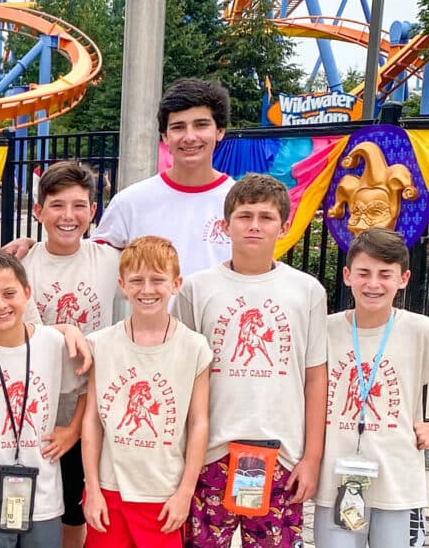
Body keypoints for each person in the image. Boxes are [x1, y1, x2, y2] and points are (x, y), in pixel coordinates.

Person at [174, 173, 327, 547]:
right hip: (212, 453)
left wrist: (311, 458)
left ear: (285, 225)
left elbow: (316, 377)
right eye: (244, 216)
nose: (254, 226)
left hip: (281, 455)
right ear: (226, 225)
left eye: (265, 217)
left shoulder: (307, 291)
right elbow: (182, 374)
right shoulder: (197, 287)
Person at [4, 78, 234, 279]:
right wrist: (36, 251)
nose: (190, 137)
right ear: (165, 136)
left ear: (220, 131)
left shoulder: (240, 205)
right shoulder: (131, 202)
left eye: (201, 125)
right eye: (178, 127)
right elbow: (83, 260)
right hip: (149, 329)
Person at [81, 236, 210, 548]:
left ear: (176, 283)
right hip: (111, 491)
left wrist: (184, 493)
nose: (147, 289)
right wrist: (93, 489)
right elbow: (92, 421)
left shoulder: (194, 347)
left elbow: (199, 423)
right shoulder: (101, 343)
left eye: (157, 280)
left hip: (163, 493)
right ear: (122, 285)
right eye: (137, 280)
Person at [22, 160, 122, 547]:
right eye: (57, 205)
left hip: (91, 411)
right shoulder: (21, 265)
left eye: (79, 205)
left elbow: (156, 280)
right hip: (37, 412)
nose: (68, 215)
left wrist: (79, 426)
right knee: (30, 505)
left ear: (93, 211)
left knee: (75, 506)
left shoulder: (110, 261)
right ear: (38, 211)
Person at [313, 228, 429, 546]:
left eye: (385, 275)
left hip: (398, 482)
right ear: (348, 275)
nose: (373, 284)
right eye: (364, 273)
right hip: (334, 484)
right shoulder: (324, 330)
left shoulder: (420, 330)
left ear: (403, 278)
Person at [0, 251, 83, 548]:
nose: (0, 305)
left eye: (9, 293)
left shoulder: (53, 343)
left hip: (43, 495)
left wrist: (73, 430)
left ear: (27, 293)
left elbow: (86, 388)